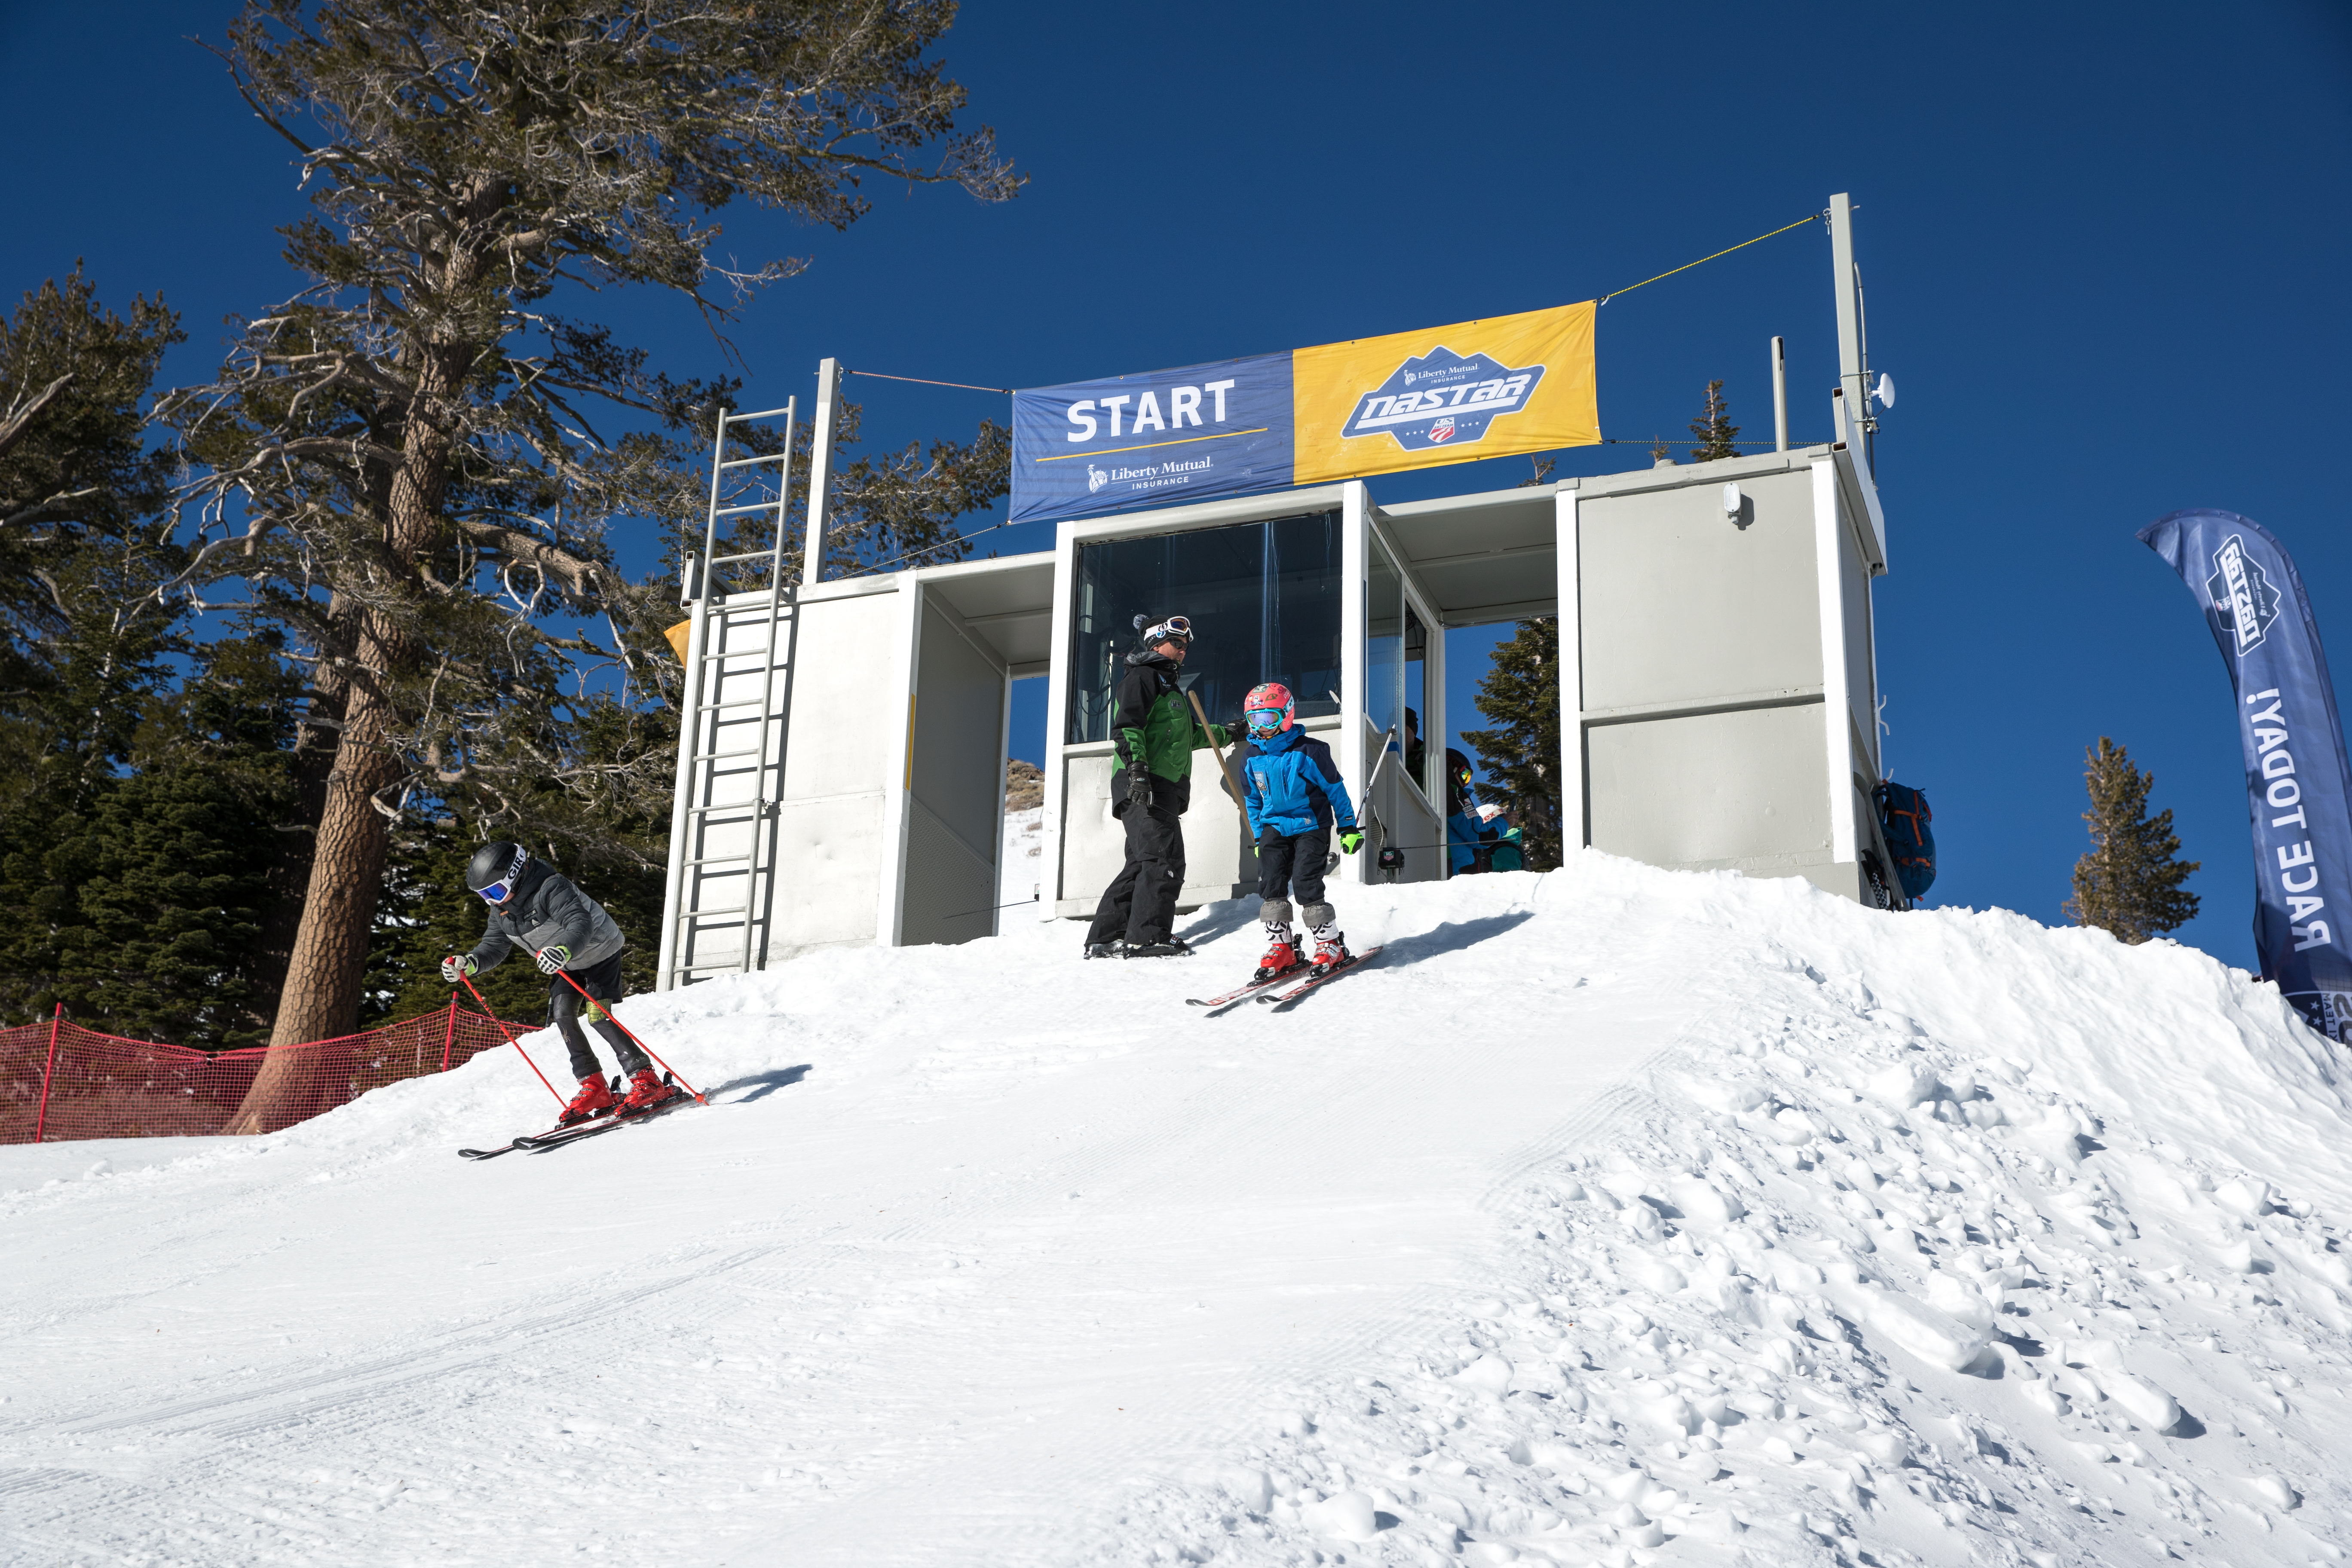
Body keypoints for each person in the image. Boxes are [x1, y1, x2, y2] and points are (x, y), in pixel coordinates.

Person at [441, 841, 676, 1124]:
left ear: (515, 874)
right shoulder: (502, 910)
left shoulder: (551, 887)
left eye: (496, 891)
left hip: (598, 951)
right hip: (565, 963)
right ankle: (595, 1087)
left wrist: (563, 950)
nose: (493, 901)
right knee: (563, 1016)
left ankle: (646, 1080)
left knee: (598, 1015)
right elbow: (495, 944)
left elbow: (580, 923)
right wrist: (470, 962)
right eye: (485, 896)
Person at [1084, 614, 1231, 959]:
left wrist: (1230, 733)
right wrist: (1137, 770)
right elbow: (1127, 726)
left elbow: (1191, 736)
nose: (1182, 652)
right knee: (1164, 859)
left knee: (1142, 863)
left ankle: (1107, 936)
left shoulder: (1170, 687)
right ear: (1155, 642)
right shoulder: (1144, 677)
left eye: (1186, 647)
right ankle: (1148, 937)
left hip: (1163, 788)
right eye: (1177, 644)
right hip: (1145, 785)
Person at [1236, 681, 1363, 980]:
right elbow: (1253, 801)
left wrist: (1347, 827)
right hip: (1273, 827)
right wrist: (1258, 836)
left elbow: (1335, 791)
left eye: (1268, 719)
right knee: (1271, 886)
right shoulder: (1251, 757)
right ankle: (1282, 947)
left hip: (1311, 825)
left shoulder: (1310, 751)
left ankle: (1331, 944)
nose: (1261, 727)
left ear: (1286, 716)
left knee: (1306, 882)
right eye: (1255, 720)